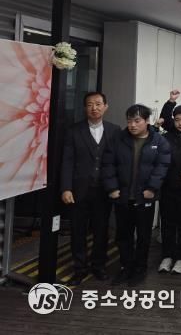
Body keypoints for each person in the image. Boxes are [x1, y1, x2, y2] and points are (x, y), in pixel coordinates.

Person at [102, 104, 170, 287]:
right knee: (123, 235)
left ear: (147, 121)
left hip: (145, 197)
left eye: (137, 121)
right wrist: (112, 188)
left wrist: (152, 188)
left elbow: (162, 166)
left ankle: (140, 268)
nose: (132, 125)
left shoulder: (159, 141)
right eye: (129, 121)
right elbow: (108, 164)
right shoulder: (118, 139)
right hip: (122, 196)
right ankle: (125, 267)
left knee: (143, 235)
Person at [61, 92, 120, 286]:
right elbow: (67, 161)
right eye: (89, 104)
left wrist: (116, 186)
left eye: (98, 104)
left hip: (103, 190)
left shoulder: (114, 130)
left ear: (105, 106)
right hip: (78, 190)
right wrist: (66, 188)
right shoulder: (73, 131)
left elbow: (118, 161)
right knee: (77, 231)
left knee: (101, 231)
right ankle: (79, 268)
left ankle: (99, 266)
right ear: (84, 108)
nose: (94, 108)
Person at [158, 105, 181, 275]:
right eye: (177, 120)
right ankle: (167, 256)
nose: (180, 123)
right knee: (167, 223)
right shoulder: (165, 138)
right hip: (168, 186)